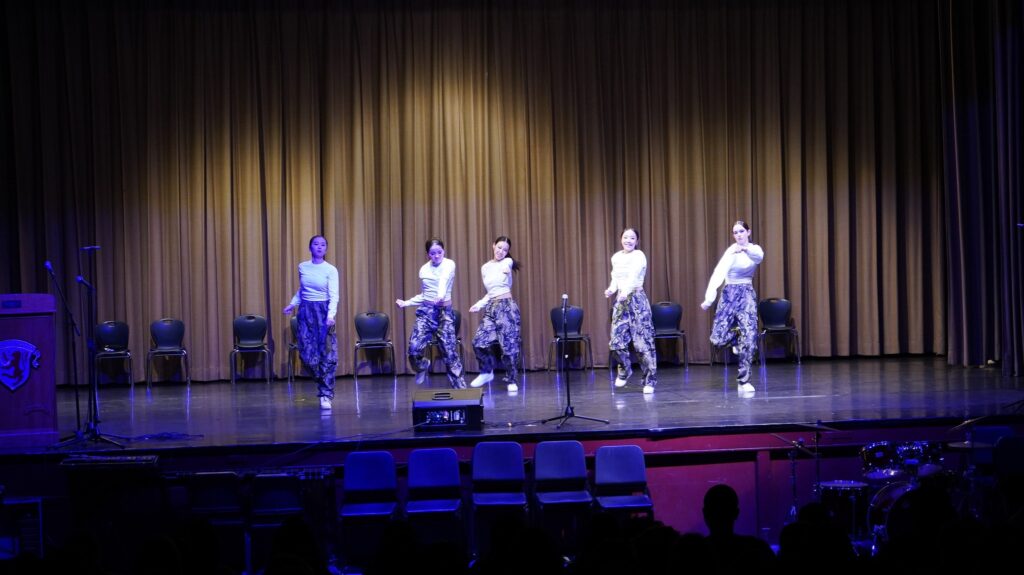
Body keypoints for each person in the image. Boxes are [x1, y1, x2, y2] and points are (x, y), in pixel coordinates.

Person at [700, 220, 763, 394]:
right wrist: (709, 299)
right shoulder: (731, 251)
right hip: (729, 294)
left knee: (749, 339)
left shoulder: (754, 249)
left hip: (746, 293)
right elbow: (718, 273)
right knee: (717, 338)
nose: (738, 235)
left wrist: (745, 249)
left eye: (741, 231)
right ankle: (735, 338)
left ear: (748, 232)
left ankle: (744, 381)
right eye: (735, 232)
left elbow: (759, 257)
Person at [396, 238, 467, 389]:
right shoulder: (424, 270)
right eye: (433, 253)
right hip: (427, 312)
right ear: (428, 254)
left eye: (439, 252)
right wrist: (406, 303)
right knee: (413, 348)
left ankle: (460, 389)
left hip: (444, 313)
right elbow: (425, 294)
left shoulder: (449, 264)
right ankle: (422, 365)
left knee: (449, 352)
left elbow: (444, 280)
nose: (436, 256)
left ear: (444, 251)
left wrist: (440, 295)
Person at [283, 235, 339, 410]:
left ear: (326, 249)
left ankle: (326, 394)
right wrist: (293, 304)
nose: (319, 247)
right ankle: (322, 382)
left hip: (323, 312)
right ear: (310, 248)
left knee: (327, 354)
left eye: (323, 245)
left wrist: (331, 315)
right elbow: (302, 290)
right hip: (306, 311)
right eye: (316, 244)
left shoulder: (330, 270)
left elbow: (334, 295)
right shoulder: (303, 267)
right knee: (306, 355)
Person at [604, 227, 658, 394]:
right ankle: (625, 370)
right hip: (621, 301)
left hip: (636, 299)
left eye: (632, 238)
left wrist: (625, 291)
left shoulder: (639, 255)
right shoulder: (616, 257)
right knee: (616, 342)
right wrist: (611, 289)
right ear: (621, 239)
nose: (628, 240)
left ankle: (649, 381)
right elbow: (616, 277)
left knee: (643, 343)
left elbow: (634, 276)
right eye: (626, 237)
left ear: (637, 241)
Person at [468, 236, 522, 393]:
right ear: (493, 246)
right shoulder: (485, 268)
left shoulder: (507, 262)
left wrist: (507, 270)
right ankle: (486, 372)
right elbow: (491, 292)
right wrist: (479, 304)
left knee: (509, 346)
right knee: (478, 342)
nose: (501, 251)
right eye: (499, 247)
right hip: (492, 306)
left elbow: (507, 266)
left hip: (507, 307)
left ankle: (512, 380)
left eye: (505, 249)